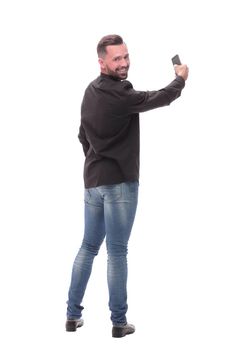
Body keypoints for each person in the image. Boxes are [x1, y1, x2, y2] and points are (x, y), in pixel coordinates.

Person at [66, 34, 189, 338]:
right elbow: (159, 98)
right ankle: (119, 323)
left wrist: (96, 160)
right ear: (102, 61)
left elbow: (82, 135)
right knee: (117, 252)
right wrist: (180, 80)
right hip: (119, 184)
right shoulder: (121, 94)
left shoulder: (90, 92)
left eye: (126, 56)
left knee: (88, 247)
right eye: (116, 58)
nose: (123, 63)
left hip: (93, 183)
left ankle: (72, 316)